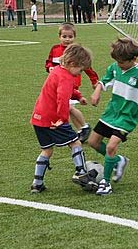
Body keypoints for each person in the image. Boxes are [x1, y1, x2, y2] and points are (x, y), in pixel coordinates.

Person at [88, 38, 138, 195]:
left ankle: (106, 182)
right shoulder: (115, 67)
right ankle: (119, 161)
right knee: (93, 142)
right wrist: (97, 92)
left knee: (111, 147)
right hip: (111, 113)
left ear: (133, 59)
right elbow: (104, 81)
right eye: (117, 61)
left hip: (127, 118)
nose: (119, 64)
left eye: (122, 62)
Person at [30, 44, 93, 194]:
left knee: (47, 150)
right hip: (54, 119)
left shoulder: (57, 71)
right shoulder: (66, 77)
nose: (80, 73)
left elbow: (65, 91)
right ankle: (81, 172)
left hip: (38, 118)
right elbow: (62, 99)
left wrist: (78, 96)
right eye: (80, 70)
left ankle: (37, 183)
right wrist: (62, 119)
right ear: (72, 64)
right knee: (75, 142)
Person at [45, 23, 99, 141]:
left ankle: (83, 127)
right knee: (67, 108)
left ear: (75, 37)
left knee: (68, 107)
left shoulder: (76, 52)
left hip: (71, 85)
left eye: (70, 37)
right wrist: (49, 67)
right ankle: (81, 130)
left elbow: (87, 67)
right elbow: (48, 62)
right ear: (59, 37)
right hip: (56, 85)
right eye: (64, 36)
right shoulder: (55, 49)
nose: (67, 39)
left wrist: (94, 80)